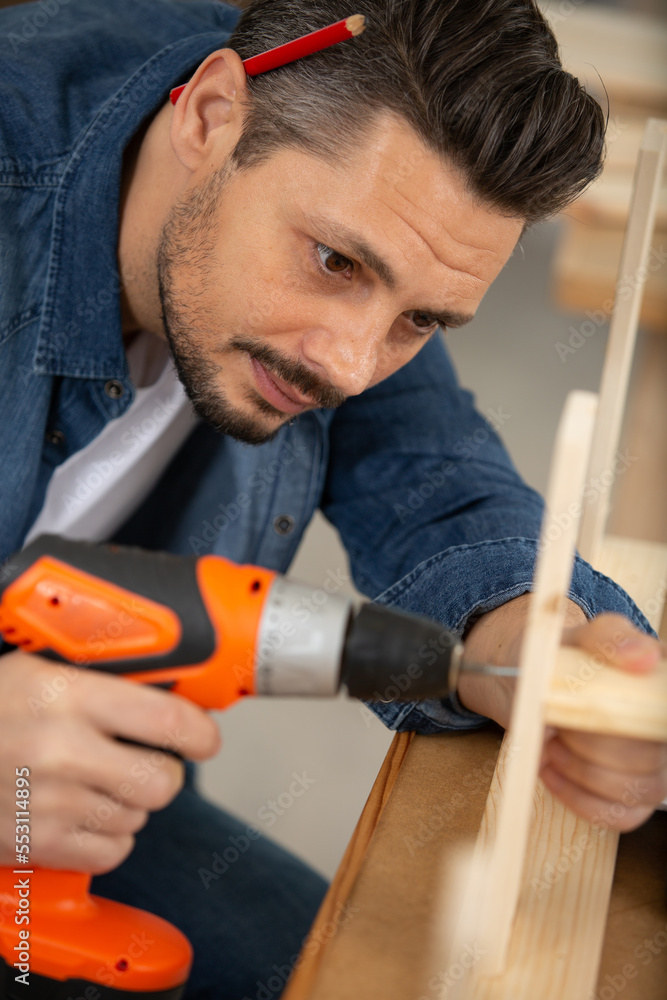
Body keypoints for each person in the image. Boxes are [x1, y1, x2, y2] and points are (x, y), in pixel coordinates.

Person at [0, 1, 665, 997]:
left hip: (65, 794)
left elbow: (430, 473)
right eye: (335, 264)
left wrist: (535, 637)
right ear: (210, 116)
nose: (351, 365)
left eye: (420, 320)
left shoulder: (349, 202)